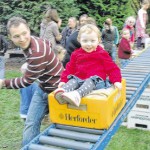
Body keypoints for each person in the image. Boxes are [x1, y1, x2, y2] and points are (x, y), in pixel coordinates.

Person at [0, 16, 64, 146]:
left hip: (57, 91)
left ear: (29, 30)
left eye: (24, 33)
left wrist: (3, 83)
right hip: (43, 87)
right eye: (17, 36)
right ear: (10, 37)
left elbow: (26, 82)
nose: (22, 39)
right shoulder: (33, 42)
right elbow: (49, 45)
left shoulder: (37, 52)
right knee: (31, 122)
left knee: (64, 129)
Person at [54, 24, 122, 107]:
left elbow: (112, 68)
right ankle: (63, 92)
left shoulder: (102, 54)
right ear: (79, 40)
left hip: (96, 82)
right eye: (85, 41)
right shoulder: (76, 54)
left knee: (91, 80)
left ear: (99, 40)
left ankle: (77, 95)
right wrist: (63, 81)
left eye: (92, 41)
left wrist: (116, 81)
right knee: (73, 80)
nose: (89, 44)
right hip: (80, 80)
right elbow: (69, 69)